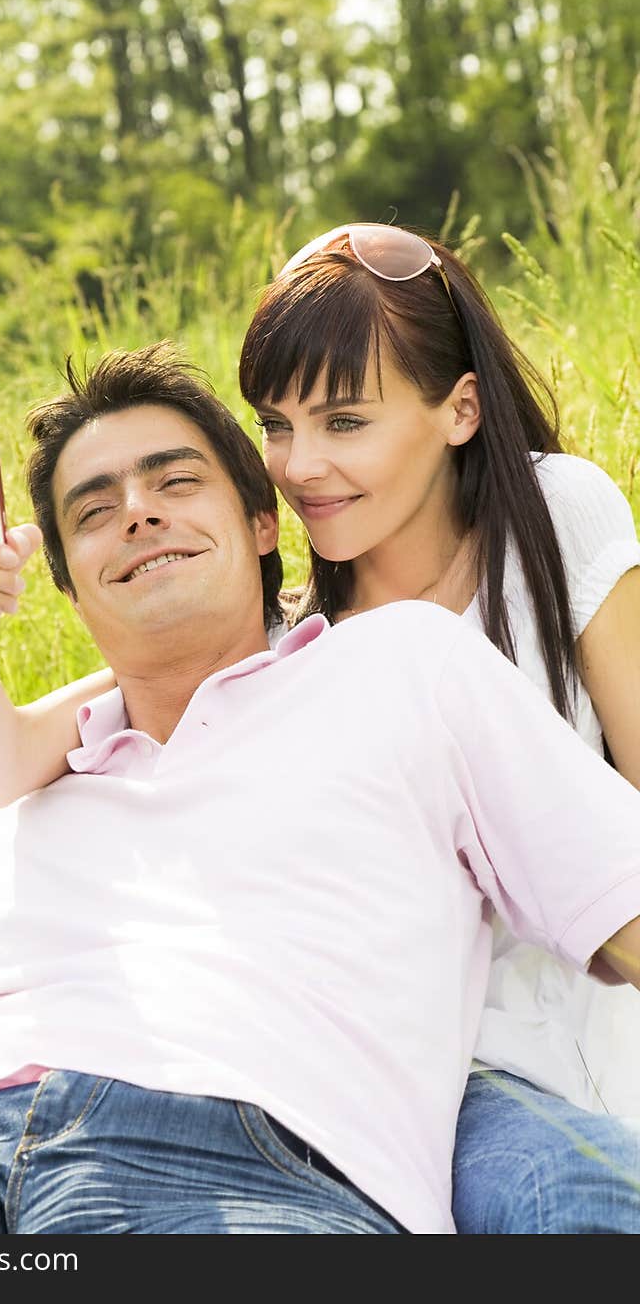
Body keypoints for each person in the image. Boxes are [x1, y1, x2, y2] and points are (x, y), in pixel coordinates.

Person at [0, 342, 637, 1236]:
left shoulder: (408, 666)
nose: (137, 515)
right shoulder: (29, 770)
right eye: (95, 511)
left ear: (265, 523)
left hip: (252, 1172)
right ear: (67, 583)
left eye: (175, 483)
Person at [235, 221, 640, 1231]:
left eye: (342, 422)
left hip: (601, 1025)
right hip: (435, 1095)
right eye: (275, 425)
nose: (298, 465)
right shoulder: (300, 641)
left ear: (458, 409)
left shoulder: (555, 518)